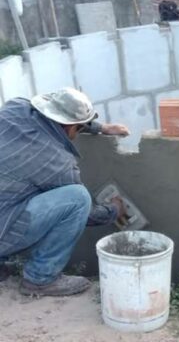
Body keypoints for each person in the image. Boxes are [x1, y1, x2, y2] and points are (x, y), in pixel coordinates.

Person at [0, 88, 130, 296]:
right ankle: (40, 278)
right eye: (78, 129)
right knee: (78, 198)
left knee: (17, 190)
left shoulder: (15, 108)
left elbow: (55, 122)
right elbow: (84, 213)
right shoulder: (55, 161)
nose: (77, 134)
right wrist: (114, 210)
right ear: (70, 127)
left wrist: (99, 127)